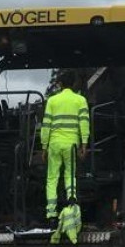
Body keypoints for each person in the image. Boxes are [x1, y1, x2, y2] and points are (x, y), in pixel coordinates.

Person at [40, 70, 90, 225]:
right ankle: (71, 205)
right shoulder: (80, 100)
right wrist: (84, 144)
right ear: (74, 84)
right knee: (70, 175)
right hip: (72, 144)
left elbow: (46, 124)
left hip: (54, 144)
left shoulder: (52, 101)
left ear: (60, 84)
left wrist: (44, 146)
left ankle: (51, 214)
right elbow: (84, 123)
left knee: (52, 178)